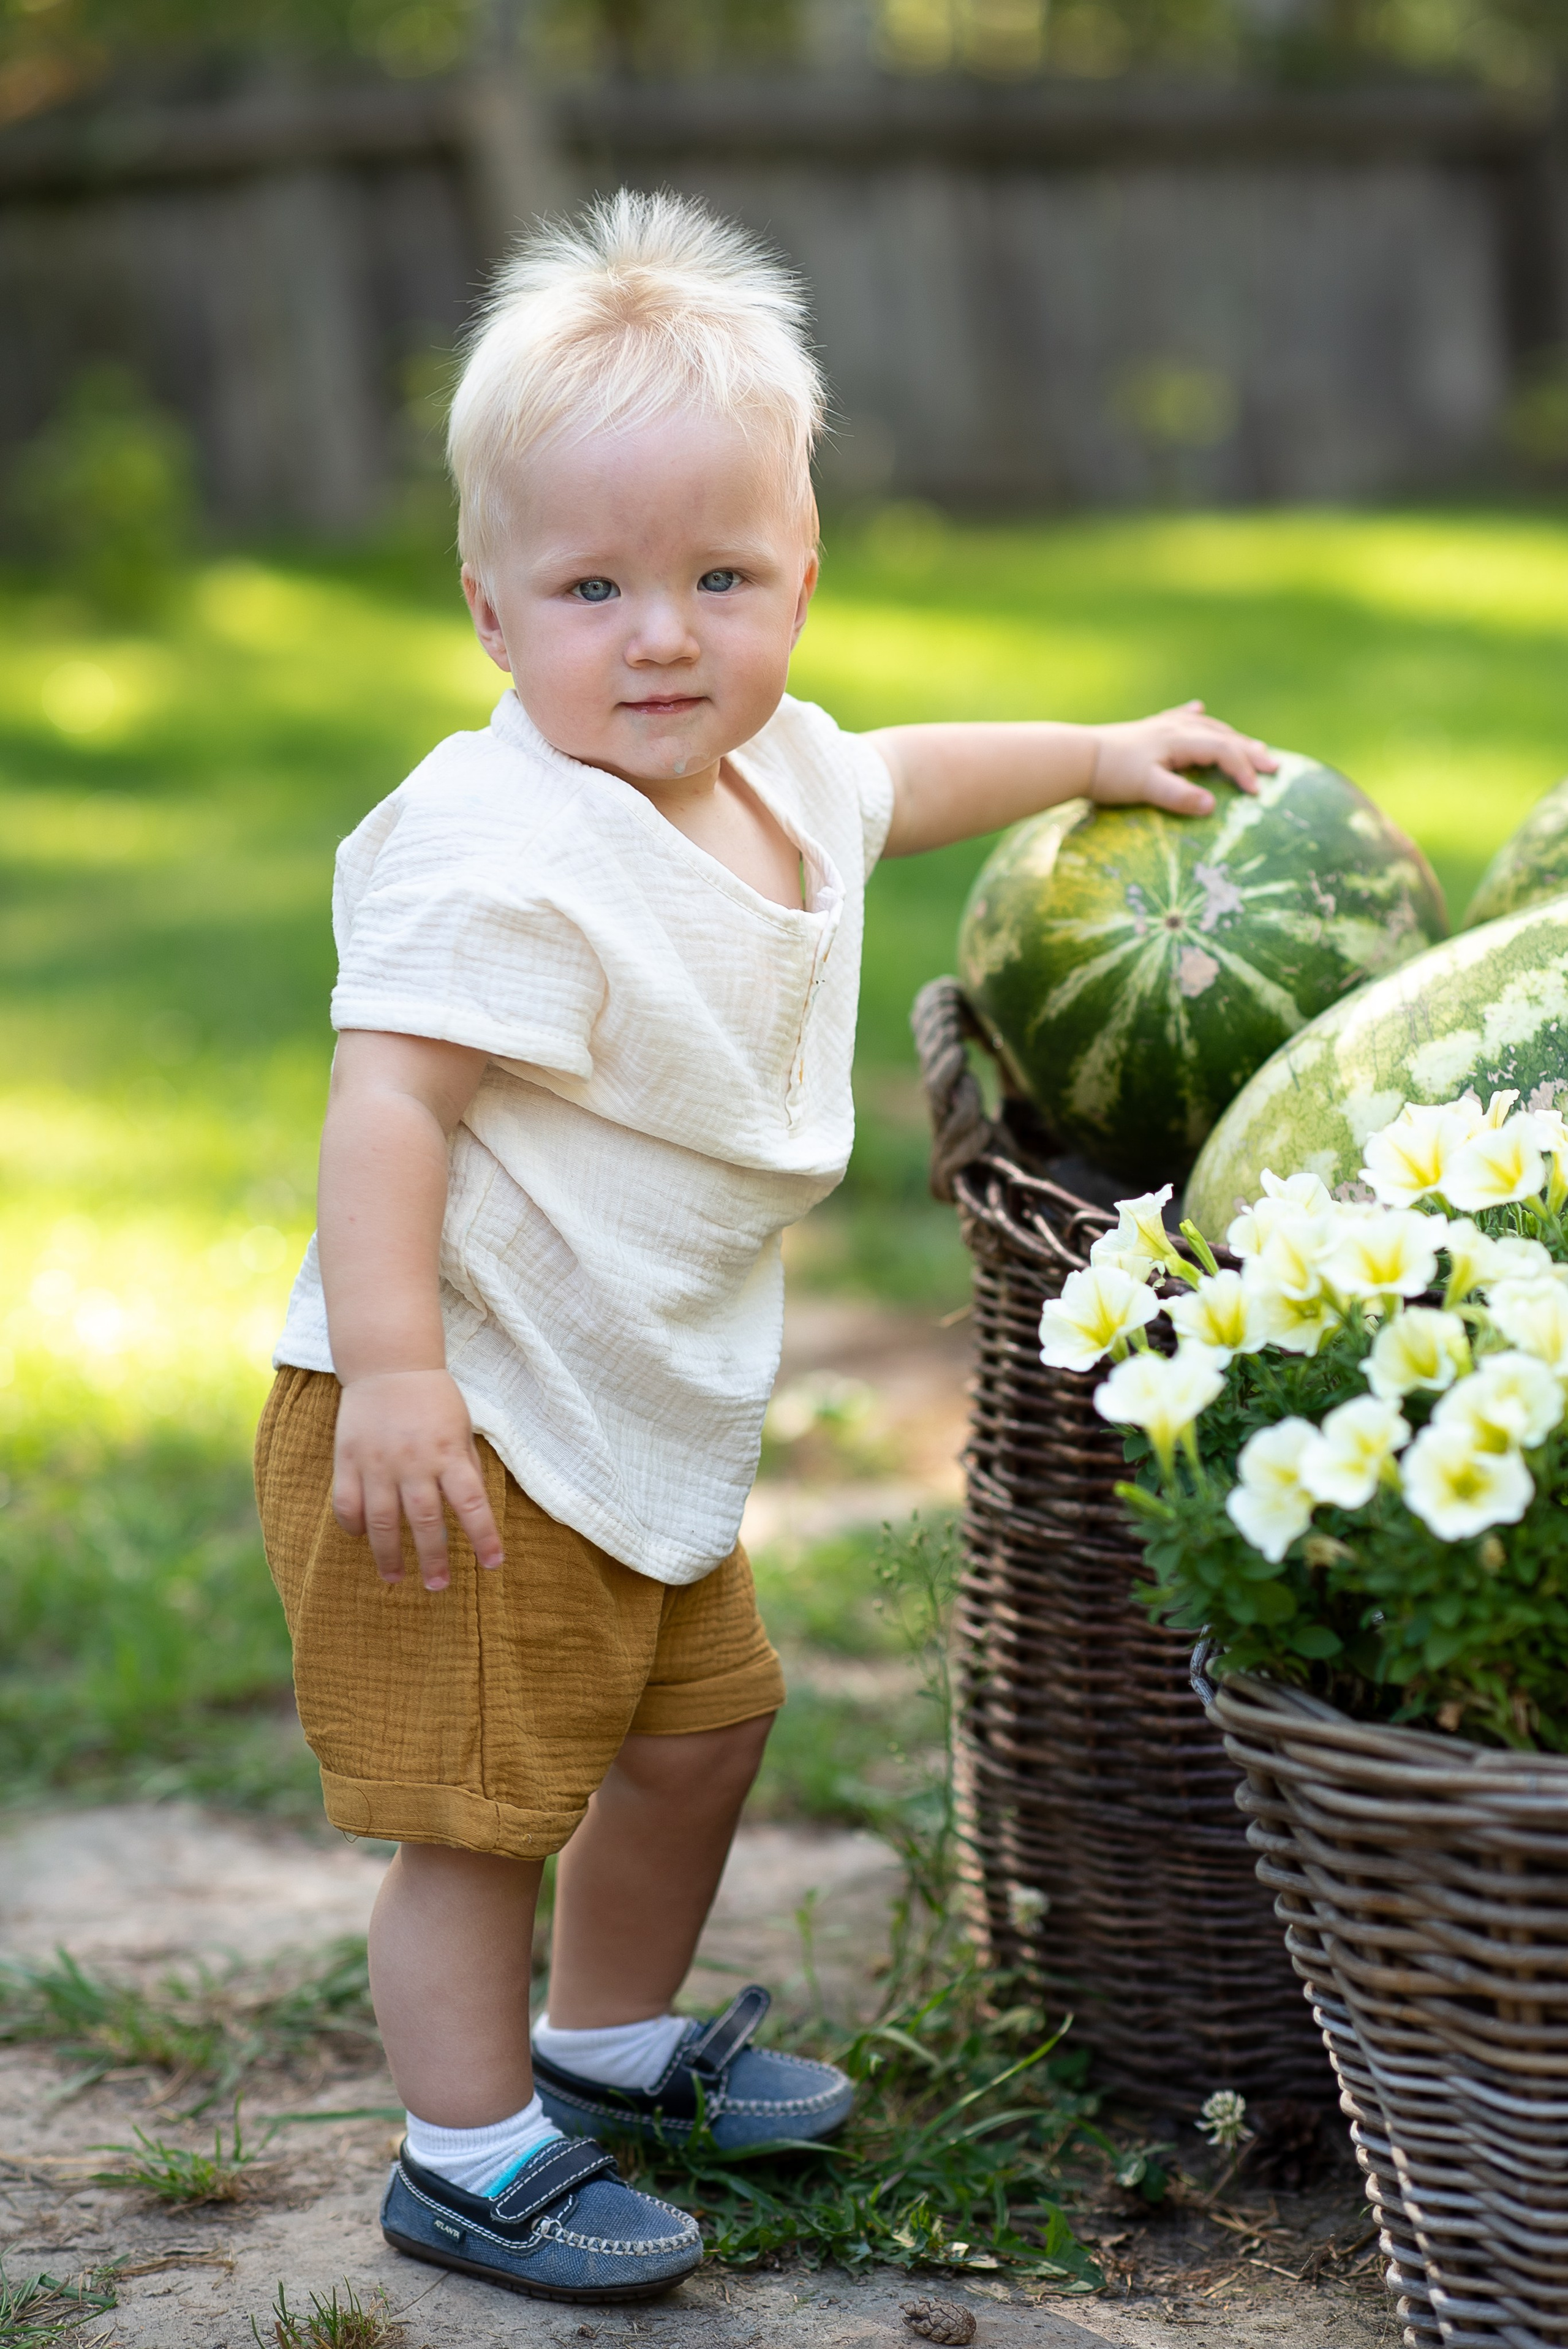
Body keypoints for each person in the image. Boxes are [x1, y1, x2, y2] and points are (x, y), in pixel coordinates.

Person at [254, 189, 1274, 2306]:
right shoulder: (496, 847)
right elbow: (387, 1110)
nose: (662, 635)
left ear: (800, 579)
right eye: (593, 587)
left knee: (703, 1729)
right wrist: (399, 1374)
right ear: (488, 608)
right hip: (461, 1414)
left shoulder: (778, 771)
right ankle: (465, 2152)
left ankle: (608, 2041)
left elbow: (896, 774)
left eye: (719, 578)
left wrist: (1098, 757)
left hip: (629, 1412)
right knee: (480, 1809)